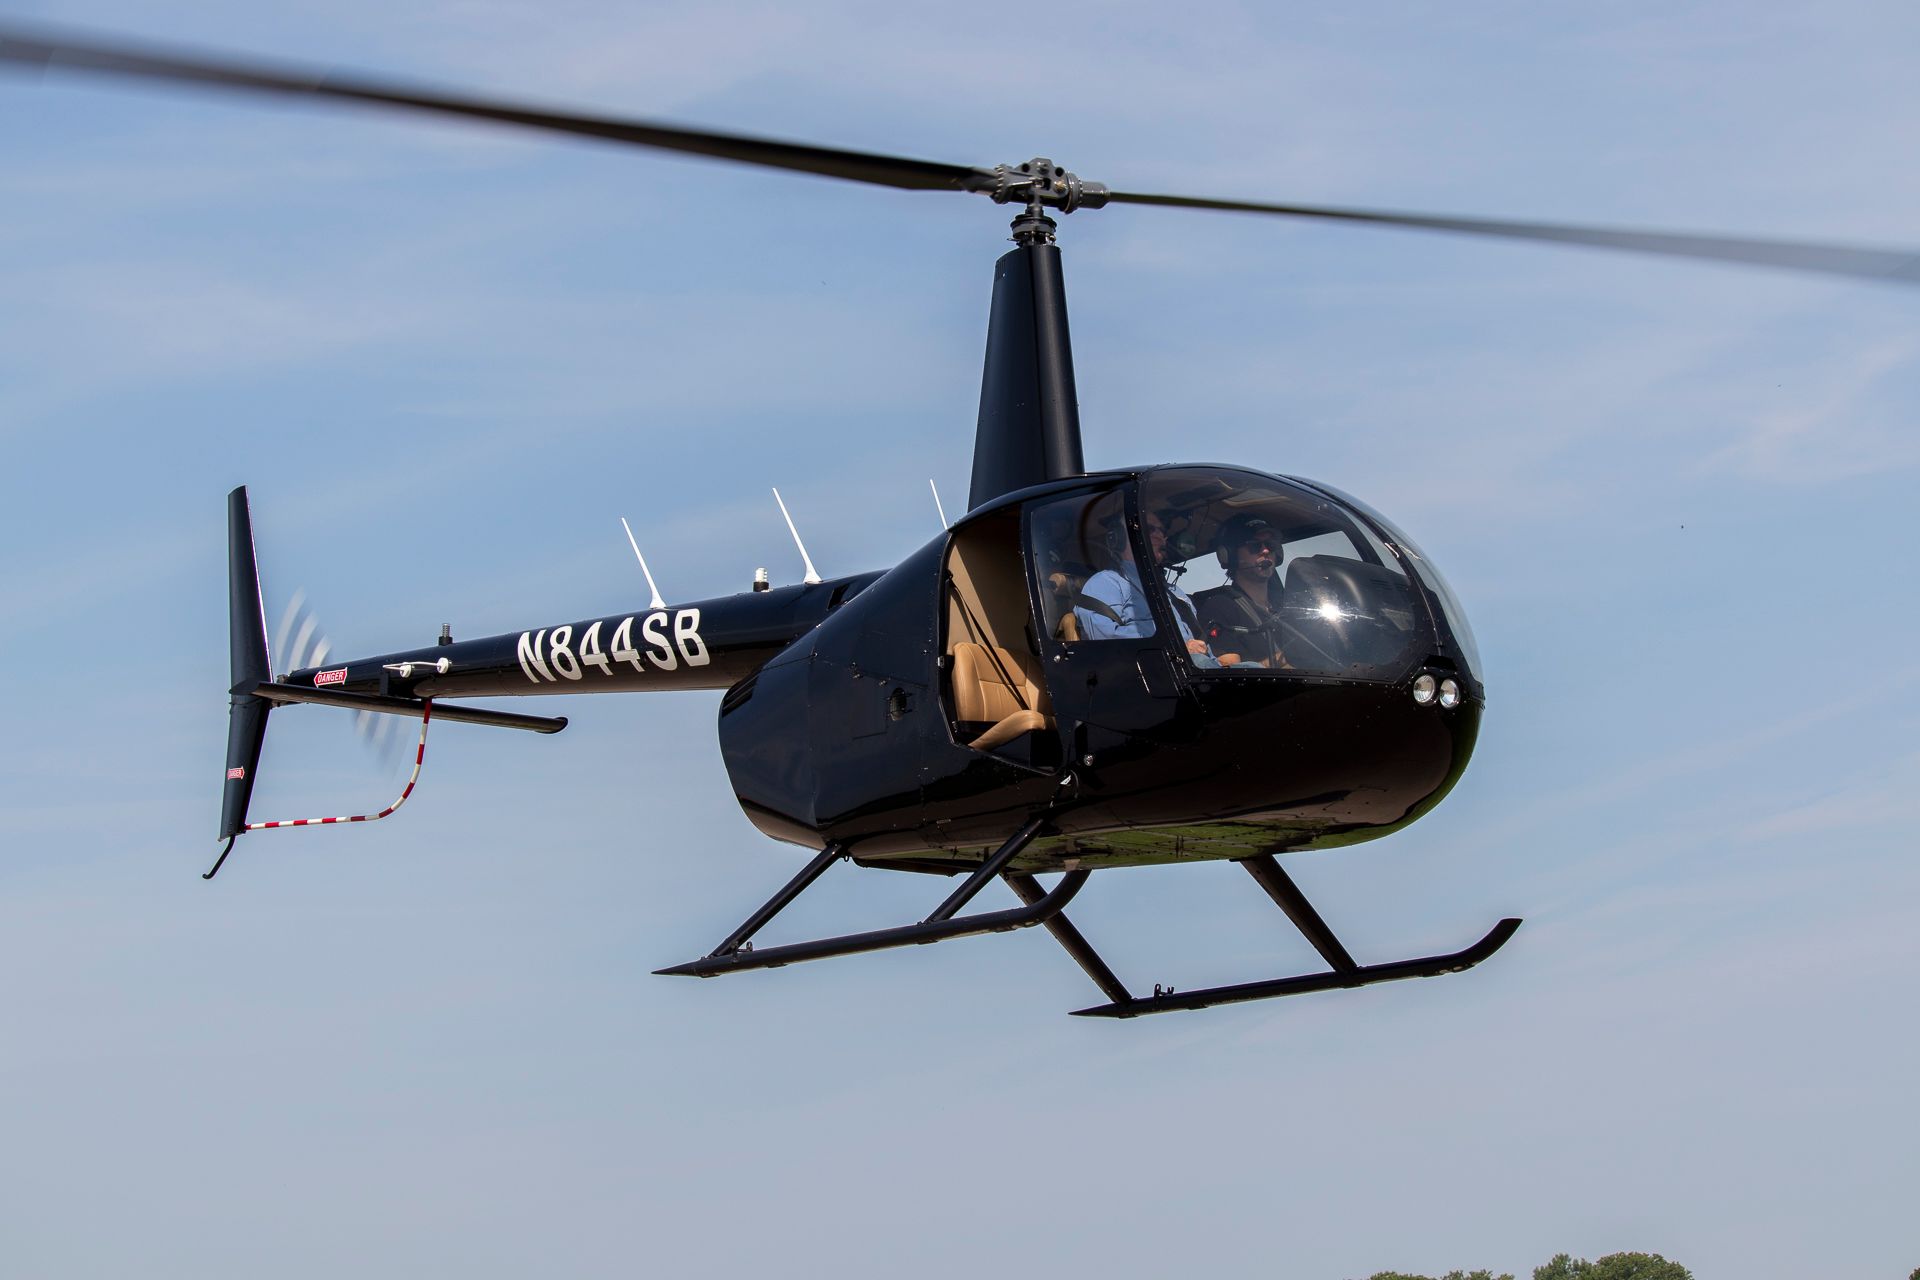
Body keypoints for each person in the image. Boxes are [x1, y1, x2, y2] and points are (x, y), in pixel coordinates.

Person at [1075, 507, 1220, 666]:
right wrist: (1176, 649)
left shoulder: (1175, 592)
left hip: (1191, 668)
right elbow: (1105, 640)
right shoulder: (1106, 582)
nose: (1159, 535)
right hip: (1149, 672)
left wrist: (1216, 661)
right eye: (1149, 529)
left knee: (1250, 666)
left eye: (1161, 531)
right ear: (1119, 538)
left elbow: (1196, 642)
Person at [1195, 514, 1288, 668]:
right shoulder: (1219, 608)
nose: (1265, 550)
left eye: (1270, 545)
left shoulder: (1287, 607)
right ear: (1229, 555)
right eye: (1254, 545)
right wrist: (1288, 657)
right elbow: (1230, 673)